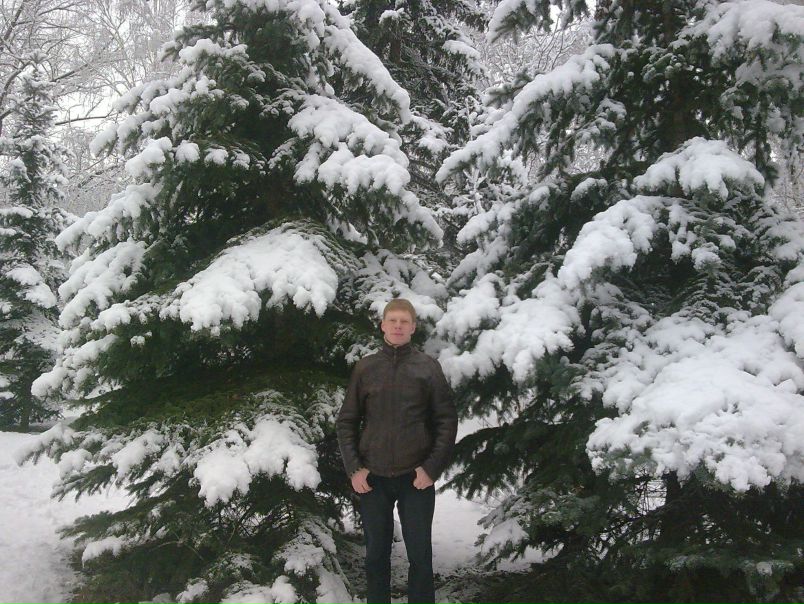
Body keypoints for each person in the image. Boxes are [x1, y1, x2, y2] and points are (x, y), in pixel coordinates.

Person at [336, 298, 458, 604]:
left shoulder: (427, 368)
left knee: (420, 556)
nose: (398, 326)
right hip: (373, 478)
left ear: (413, 327)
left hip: (415, 477)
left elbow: (446, 421)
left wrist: (431, 469)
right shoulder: (366, 368)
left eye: (405, 322)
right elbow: (346, 421)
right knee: (376, 555)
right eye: (393, 321)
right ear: (383, 326)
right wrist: (354, 469)